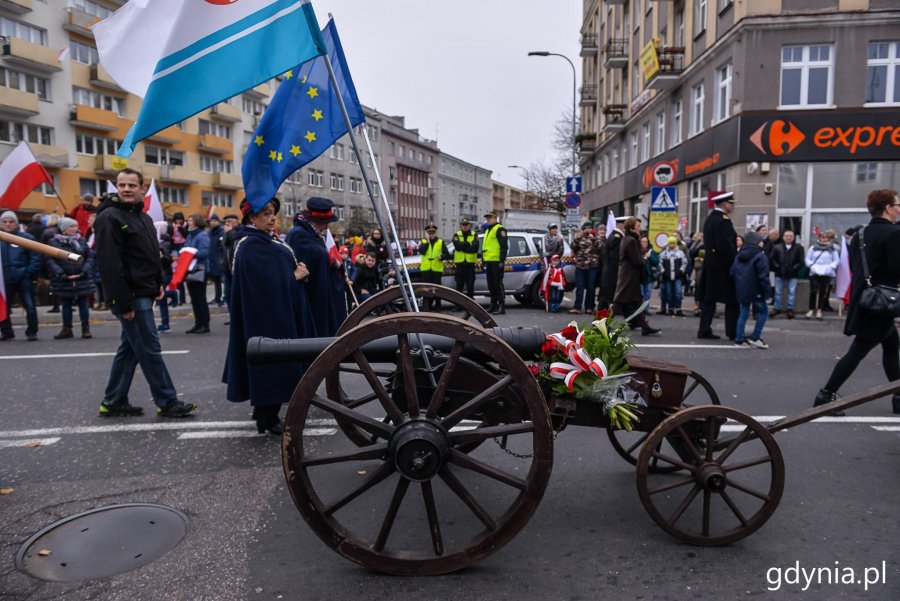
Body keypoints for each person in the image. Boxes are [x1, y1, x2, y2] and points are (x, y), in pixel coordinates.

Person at [94, 168, 196, 417]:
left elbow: (149, 256)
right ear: (116, 188)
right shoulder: (110, 217)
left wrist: (157, 283)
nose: (127, 189)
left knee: (130, 349)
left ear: (141, 188)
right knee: (149, 349)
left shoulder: (144, 218)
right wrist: (122, 302)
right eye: (122, 185)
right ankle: (167, 401)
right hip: (130, 296)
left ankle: (113, 400)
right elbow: (109, 263)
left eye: (132, 185)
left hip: (143, 291)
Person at [224, 197, 314, 435]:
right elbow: (263, 286)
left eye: (272, 213)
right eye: (265, 213)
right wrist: (294, 276)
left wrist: (295, 271)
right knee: (272, 365)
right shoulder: (252, 246)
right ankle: (268, 415)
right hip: (267, 319)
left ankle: (265, 412)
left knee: (276, 364)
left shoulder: (266, 241)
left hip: (278, 312)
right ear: (251, 218)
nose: (272, 217)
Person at [815, 189, 900, 416]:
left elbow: (854, 267)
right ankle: (825, 394)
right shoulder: (894, 233)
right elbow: (896, 268)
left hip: (865, 299)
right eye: (897, 205)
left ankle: (898, 394)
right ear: (888, 208)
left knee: (892, 344)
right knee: (858, 351)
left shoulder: (860, 234)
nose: (899, 209)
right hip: (882, 303)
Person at [286, 197, 346, 337]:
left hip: (320, 289)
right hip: (312, 293)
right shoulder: (299, 235)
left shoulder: (313, 234)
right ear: (314, 221)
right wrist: (330, 261)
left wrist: (335, 266)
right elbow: (312, 259)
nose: (326, 227)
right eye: (324, 223)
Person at [697, 192, 739, 340]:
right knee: (732, 300)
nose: (733, 206)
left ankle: (704, 329)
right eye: (731, 203)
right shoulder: (723, 221)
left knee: (709, 299)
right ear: (725, 204)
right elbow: (726, 247)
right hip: (722, 266)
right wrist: (734, 265)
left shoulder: (711, 219)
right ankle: (733, 331)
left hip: (711, 264)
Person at [47, 216, 95, 339]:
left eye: (75, 226)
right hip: (64, 278)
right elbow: (50, 260)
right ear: (63, 229)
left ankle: (86, 329)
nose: (75, 229)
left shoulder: (81, 241)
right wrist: (60, 274)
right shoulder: (54, 242)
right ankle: (67, 329)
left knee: (83, 304)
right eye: (71, 226)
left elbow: (89, 257)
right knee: (66, 305)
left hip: (81, 278)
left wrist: (84, 271)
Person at [613, 217, 660, 336]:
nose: (640, 228)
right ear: (632, 228)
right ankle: (601, 324)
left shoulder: (626, 239)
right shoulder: (632, 241)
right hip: (629, 276)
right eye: (638, 226)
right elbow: (637, 261)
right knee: (618, 303)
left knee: (637, 302)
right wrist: (644, 259)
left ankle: (645, 326)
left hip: (628, 275)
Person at [0, 211, 40, 341]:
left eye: (11, 222)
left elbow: (35, 256)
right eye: (4, 222)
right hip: (4, 278)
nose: (8, 224)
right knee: (3, 306)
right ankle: (6, 332)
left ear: (16, 224)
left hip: (23, 277)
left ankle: (32, 332)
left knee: (30, 305)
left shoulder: (26, 238)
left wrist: (28, 272)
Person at [731, 230, 771, 349]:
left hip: (742, 288)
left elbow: (732, 272)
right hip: (756, 289)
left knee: (743, 313)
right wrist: (767, 292)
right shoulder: (760, 255)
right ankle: (755, 337)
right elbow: (763, 276)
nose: (762, 243)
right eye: (761, 241)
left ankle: (739, 339)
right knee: (763, 312)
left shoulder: (739, 254)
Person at [183, 214, 211, 334]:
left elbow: (204, 252)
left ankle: (205, 324)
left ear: (197, 222)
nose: (188, 222)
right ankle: (198, 323)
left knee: (200, 299)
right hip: (190, 270)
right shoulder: (190, 235)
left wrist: (189, 253)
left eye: (190, 220)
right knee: (194, 299)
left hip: (200, 270)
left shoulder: (202, 235)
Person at [769, 229, 805, 319]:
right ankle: (777, 308)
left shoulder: (799, 247)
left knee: (791, 292)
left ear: (793, 237)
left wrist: (794, 269)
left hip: (793, 274)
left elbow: (801, 261)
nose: (789, 237)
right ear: (783, 237)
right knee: (778, 292)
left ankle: (790, 309)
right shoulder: (777, 247)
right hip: (779, 273)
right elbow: (771, 259)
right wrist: (777, 267)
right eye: (787, 236)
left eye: (791, 236)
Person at [805, 231, 840, 320]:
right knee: (813, 291)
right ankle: (811, 309)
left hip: (826, 272)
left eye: (826, 238)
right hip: (814, 272)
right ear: (819, 238)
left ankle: (819, 309)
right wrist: (812, 266)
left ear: (828, 239)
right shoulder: (813, 248)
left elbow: (836, 260)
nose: (824, 239)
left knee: (823, 292)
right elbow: (808, 258)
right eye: (822, 237)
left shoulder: (832, 249)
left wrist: (830, 267)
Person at [570, 221, 600, 314]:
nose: (588, 230)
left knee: (591, 288)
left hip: (592, 266)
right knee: (580, 287)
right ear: (583, 230)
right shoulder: (579, 238)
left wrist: (594, 239)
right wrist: (578, 238)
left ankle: (589, 307)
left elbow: (601, 248)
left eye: (590, 228)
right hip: (580, 266)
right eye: (586, 228)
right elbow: (573, 247)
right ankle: (577, 307)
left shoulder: (596, 238)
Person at [482, 210, 508, 315]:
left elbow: (504, 246)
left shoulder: (499, 229)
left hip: (497, 262)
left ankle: (502, 306)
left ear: (495, 218)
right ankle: (493, 304)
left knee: (498, 285)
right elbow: (487, 246)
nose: (488, 219)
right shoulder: (488, 230)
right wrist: (484, 259)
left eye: (490, 218)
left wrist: (502, 260)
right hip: (489, 261)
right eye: (487, 218)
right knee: (491, 285)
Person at [418, 223, 449, 310]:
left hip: (436, 268)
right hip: (426, 269)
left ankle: (438, 305)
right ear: (427, 233)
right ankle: (427, 305)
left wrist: (442, 256)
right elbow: (422, 251)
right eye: (429, 233)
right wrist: (427, 243)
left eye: (432, 233)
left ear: (435, 233)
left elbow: (446, 254)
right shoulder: (424, 241)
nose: (431, 234)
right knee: (426, 288)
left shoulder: (440, 242)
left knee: (437, 288)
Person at [598, 216, 626, 309]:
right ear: (620, 225)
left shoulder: (613, 235)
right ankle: (600, 320)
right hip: (612, 271)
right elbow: (615, 257)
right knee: (607, 297)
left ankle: (601, 318)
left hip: (608, 271)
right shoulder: (617, 238)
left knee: (606, 296)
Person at [658, 235, 687, 316]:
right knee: (669, 293)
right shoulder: (664, 253)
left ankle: (678, 309)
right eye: (670, 243)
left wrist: (681, 271)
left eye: (673, 243)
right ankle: (670, 308)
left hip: (678, 276)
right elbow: (659, 263)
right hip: (667, 277)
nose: (671, 245)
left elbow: (685, 262)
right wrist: (663, 272)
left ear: (675, 244)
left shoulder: (680, 253)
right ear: (667, 244)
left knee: (678, 292)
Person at [452, 217, 478, 300]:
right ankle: (458, 305)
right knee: (459, 286)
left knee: (470, 286)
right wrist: (468, 244)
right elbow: (457, 246)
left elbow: (475, 248)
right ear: (461, 225)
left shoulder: (474, 234)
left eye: (466, 224)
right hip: (460, 265)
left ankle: (471, 306)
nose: (465, 226)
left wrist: (463, 246)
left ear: (469, 225)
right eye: (463, 224)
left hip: (470, 265)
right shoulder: (456, 234)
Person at [221, 213, 240, 307]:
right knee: (228, 295)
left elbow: (236, 239)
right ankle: (232, 319)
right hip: (227, 270)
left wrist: (229, 232)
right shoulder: (226, 233)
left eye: (229, 221)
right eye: (226, 222)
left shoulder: (240, 231)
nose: (227, 223)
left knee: (237, 296)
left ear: (237, 222)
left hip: (236, 270)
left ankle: (238, 320)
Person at [207, 214, 225, 306]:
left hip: (219, 259)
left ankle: (222, 298)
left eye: (215, 221)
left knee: (221, 280)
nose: (213, 222)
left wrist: (221, 259)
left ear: (218, 222)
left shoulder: (221, 232)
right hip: (212, 259)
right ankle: (217, 298)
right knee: (216, 280)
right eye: (211, 221)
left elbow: (223, 246)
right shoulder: (209, 232)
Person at [639, 235, 659, 313]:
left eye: (645, 241)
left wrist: (650, 256)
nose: (644, 243)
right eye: (642, 241)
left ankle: (646, 309)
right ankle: (640, 309)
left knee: (648, 293)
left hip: (649, 276)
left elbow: (656, 261)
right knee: (641, 293)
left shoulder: (651, 251)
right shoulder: (637, 251)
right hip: (640, 275)